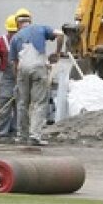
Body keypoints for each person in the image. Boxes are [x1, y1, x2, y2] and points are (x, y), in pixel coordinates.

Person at [10, 8, 64, 146]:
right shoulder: (40, 28)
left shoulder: (15, 38)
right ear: (30, 20)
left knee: (22, 104)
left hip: (22, 69)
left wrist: (18, 81)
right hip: (39, 68)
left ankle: (22, 136)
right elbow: (60, 34)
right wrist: (57, 53)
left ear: (17, 23)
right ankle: (35, 136)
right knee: (39, 103)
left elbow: (15, 63)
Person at [0, 14, 19, 143]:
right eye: (11, 32)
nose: (13, 35)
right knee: (4, 104)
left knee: (19, 104)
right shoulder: (0, 42)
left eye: (15, 32)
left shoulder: (24, 41)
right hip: (6, 77)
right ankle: (2, 134)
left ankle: (16, 131)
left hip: (20, 76)